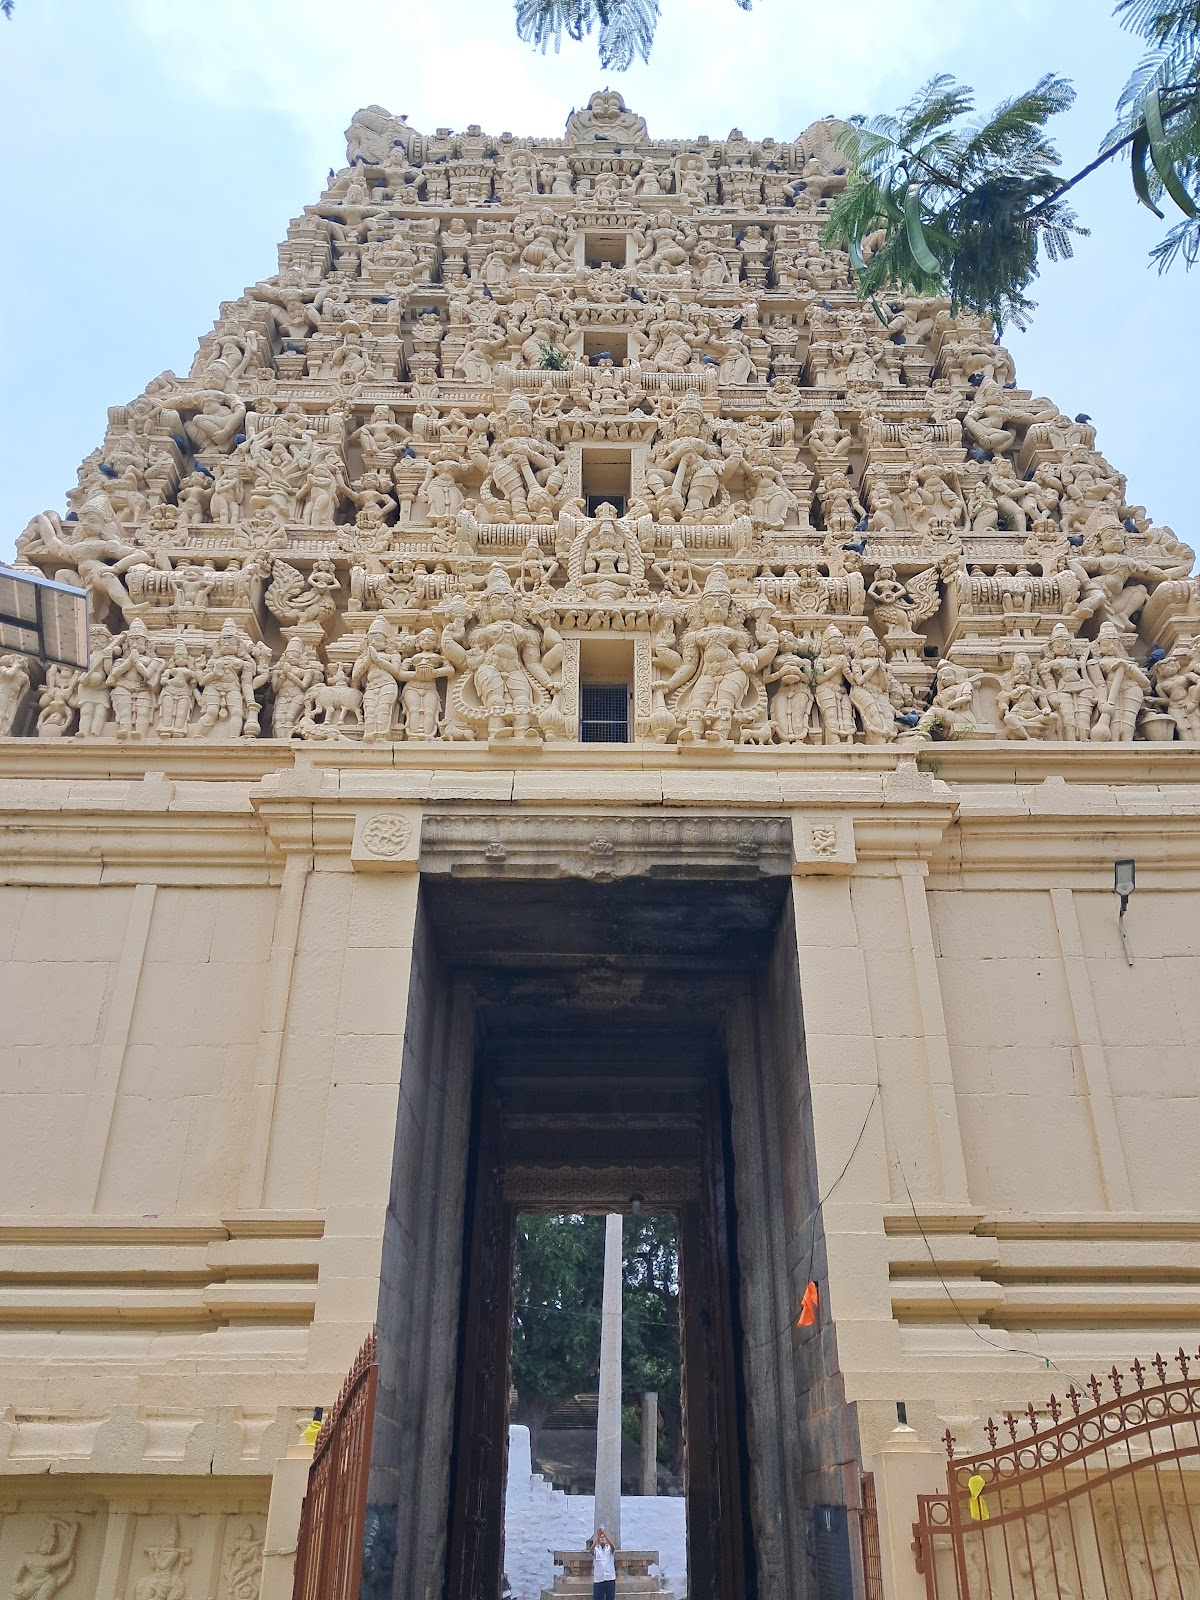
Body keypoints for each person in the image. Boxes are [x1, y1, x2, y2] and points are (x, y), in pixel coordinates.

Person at [591, 1527, 617, 1600]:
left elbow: (613, 1547)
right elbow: (591, 1551)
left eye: (603, 1537)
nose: (602, 1538)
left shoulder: (609, 1549)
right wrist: (597, 1538)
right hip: (599, 1578)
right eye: (601, 1537)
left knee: (610, 1597)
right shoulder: (596, 1549)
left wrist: (606, 1536)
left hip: (609, 1578)